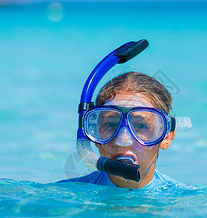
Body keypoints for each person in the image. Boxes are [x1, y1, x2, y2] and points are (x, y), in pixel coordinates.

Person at [57, 72, 192, 190]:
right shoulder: (64, 195)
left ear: (166, 137)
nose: (123, 140)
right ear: (93, 134)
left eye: (141, 126)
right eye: (110, 124)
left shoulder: (184, 202)